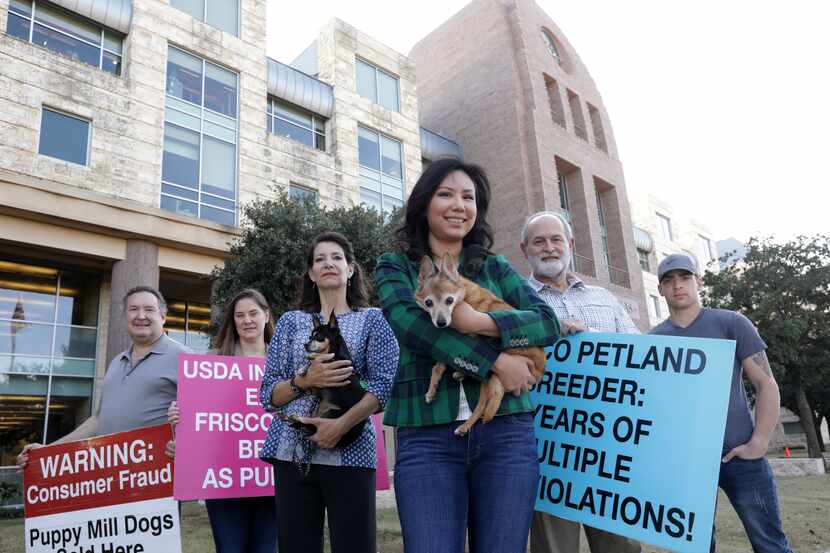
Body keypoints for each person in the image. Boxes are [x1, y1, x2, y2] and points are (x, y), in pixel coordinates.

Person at [374, 158, 560, 553]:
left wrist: (480, 323)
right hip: (426, 435)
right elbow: (415, 329)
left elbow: (547, 323)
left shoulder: (496, 268)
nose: (459, 205)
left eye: (468, 197)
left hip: (507, 433)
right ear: (424, 203)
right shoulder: (396, 268)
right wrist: (496, 361)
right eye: (446, 194)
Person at [259, 231, 398, 553]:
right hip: (292, 454)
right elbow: (267, 395)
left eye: (336, 257)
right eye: (319, 259)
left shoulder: (373, 320)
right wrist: (304, 381)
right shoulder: (291, 323)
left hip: (351, 450)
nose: (328, 263)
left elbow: (383, 385)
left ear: (351, 269)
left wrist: (340, 425)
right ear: (311, 273)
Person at [649, 253, 792, 553]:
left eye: (685, 278)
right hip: (688, 462)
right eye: (669, 280)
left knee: (770, 544)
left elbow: (766, 384)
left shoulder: (731, 323)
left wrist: (760, 441)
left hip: (741, 455)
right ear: (660, 289)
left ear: (698, 281)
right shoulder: (654, 339)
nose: (678, 286)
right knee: (697, 547)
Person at [519, 211, 642, 553]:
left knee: (621, 546)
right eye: (539, 241)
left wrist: (594, 338)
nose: (549, 248)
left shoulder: (604, 298)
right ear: (524, 249)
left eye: (556, 240)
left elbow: (641, 356)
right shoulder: (514, 301)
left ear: (570, 245)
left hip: (607, 448)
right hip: (549, 449)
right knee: (554, 547)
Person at [17, 286, 189, 466]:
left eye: (149, 309)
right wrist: (48, 450)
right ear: (125, 318)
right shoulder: (116, 363)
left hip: (160, 476)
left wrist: (186, 444)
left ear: (162, 317)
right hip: (113, 478)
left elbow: (205, 419)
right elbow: (98, 420)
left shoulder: (185, 358)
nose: (140, 315)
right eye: (133, 309)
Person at [168, 289, 278, 553]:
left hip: (274, 480)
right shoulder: (213, 362)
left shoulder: (284, 361)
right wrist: (178, 420)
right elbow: (201, 423)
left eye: (253, 313)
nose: (247, 320)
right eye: (240, 315)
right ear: (233, 321)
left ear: (266, 315)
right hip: (225, 482)